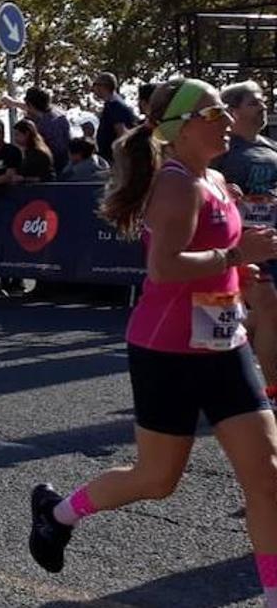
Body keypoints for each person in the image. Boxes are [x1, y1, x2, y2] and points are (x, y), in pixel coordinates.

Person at [28, 79, 277, 601]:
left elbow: (210, 256)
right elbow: (164, 268)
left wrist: (239, 275)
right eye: (216, 112)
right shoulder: (177, 184)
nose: (228, 120)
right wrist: (233, 257)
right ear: (184, 125)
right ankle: (57, 513)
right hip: (168, 351)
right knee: (157, 479)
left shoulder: (212, 179)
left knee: (267, 477)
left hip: (224, 345)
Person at [216, 80, 277, 386]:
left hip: (272, 242)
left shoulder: (270, 146)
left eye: (263, 101)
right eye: (254, 102)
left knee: (261, 316)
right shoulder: (222, 148)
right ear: (233, 110)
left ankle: (240, 386)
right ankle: (273, 392)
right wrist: (224, 191)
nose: (263, 106)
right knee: (269, 307)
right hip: (240, 244)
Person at [93, 73, 140, 163]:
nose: (93, 89)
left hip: (114, 159)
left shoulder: (114, 106)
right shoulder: (113, 104)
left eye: (95, 85)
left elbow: (121, 133)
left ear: (102, 86)